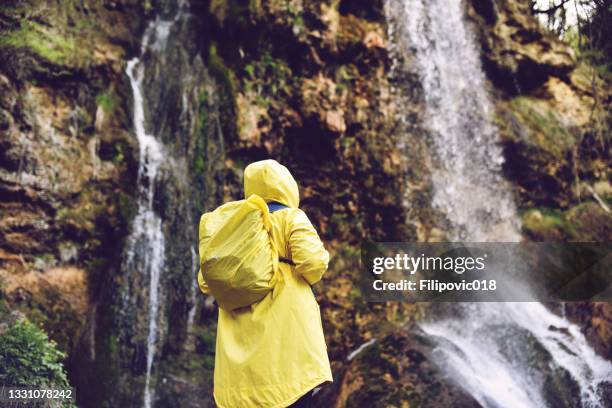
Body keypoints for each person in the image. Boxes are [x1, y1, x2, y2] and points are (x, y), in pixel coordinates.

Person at [198, 159, 333, 408]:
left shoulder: (232, 228)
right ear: (287, 187)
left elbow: (206, 282)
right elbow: (313, 263)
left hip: (240, 369)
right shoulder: (291, 218)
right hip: (288, 351)